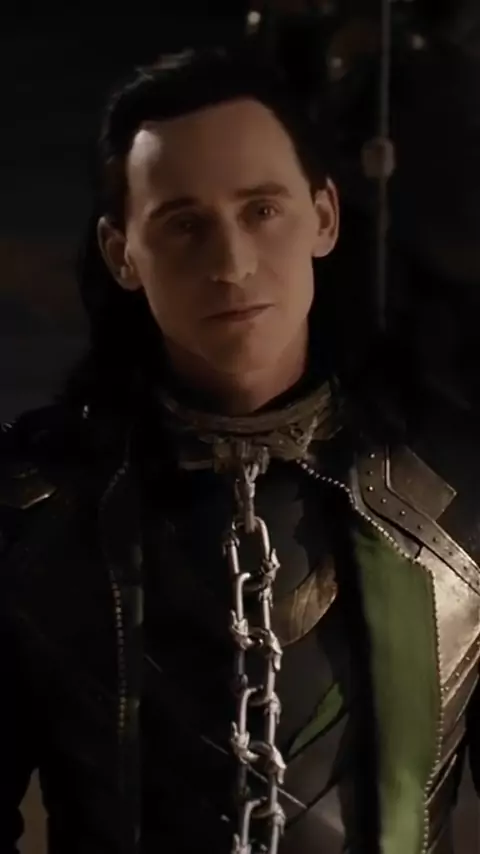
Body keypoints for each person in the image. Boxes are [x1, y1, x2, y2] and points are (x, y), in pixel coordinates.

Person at [1, 47, 479, 854]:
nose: (230, 265)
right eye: (183, 224)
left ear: (323, 217)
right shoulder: (30, 511)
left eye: (261, 210)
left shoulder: (462, 493)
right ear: (122, 253)